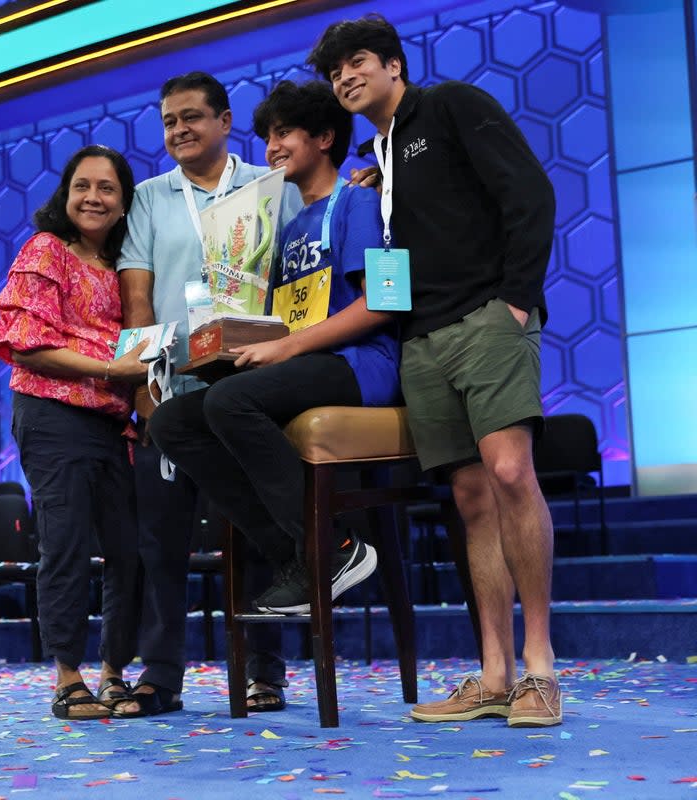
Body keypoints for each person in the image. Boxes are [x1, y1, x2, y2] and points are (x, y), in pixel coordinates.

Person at [309, 14, 560, 727]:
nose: (346, 78)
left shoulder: (450, 106)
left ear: (393, 65)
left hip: (487, 317)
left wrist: (516, 301)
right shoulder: (377, 158)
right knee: (472, 500)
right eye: (335, 73)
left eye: (357, 62)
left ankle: (540, 669)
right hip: (421, 340)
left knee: (512, 475)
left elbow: (529, 195)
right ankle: (493, 674)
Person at [150, 79, 397, 627]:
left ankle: (332, 548)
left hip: (363, 366)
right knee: (173, 421)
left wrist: (286, 348)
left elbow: (387, 305)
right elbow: (283, 317)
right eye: (267, 137)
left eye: (284, 134)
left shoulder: (362, 202)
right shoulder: (284, 228)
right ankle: (298, 555)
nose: (271, 149)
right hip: (304, 363)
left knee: (231, 403)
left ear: (326, 137)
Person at [117, 71, 299, 714]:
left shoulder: (268, 187)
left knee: (250, 525)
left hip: (249, 384)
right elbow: (136, 293)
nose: (179, 130)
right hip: (171, 386)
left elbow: (300, 273)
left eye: (192, 117)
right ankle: (160, 676)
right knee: (160, 537)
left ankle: (264, 670)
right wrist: (143, 383)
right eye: (168, 121)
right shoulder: (148, 197)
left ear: (225, 120)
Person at [0, 145, 150, 720]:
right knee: (67, 546)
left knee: (128, 552)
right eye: (83, 186)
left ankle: (113, 673)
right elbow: (31, 345)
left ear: (124, 200)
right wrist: (114, 368)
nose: (93, 198)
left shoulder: (125, 268)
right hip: (53, 415)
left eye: (107, 188)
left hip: (113, 423)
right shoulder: (47, 250)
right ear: (65, 193)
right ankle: (67, 677)